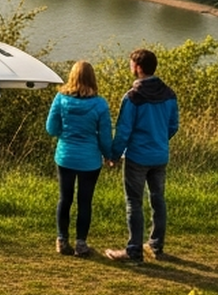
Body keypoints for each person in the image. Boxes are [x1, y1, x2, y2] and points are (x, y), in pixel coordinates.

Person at [105, 48, 179, 264]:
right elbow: (173, 125)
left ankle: (134, 250)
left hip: (137, 156)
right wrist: (159, 140)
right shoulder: (169, 94)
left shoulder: (133, 97)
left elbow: (123, 131)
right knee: (158, 199)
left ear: (138, 67)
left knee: (134, 203)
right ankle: (156, 245)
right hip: (160, 155)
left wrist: (114, 155)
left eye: (131, 64)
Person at [46, 60, 112, 257]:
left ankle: (62, 240)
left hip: (65, 156)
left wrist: (65, 135)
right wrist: (109, 155)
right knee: (85, 201)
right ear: (92, 78)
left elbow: (51, 128)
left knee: (65, 199)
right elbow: (105, 137)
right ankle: (81, 244)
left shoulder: (60, 99)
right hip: (89, 160)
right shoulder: (100, 104)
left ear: (72, 76)